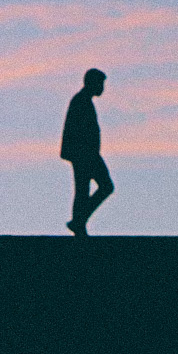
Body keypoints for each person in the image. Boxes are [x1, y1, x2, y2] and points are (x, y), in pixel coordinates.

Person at [61, 68, 113, 236]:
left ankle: (79, 223)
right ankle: (79, 221)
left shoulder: (83, 100)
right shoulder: (81, 101)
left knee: (83, 190)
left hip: (85, 154)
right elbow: (76, 131)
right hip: (85, 154)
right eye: (101, 83)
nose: (102, 88)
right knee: (103, 186)